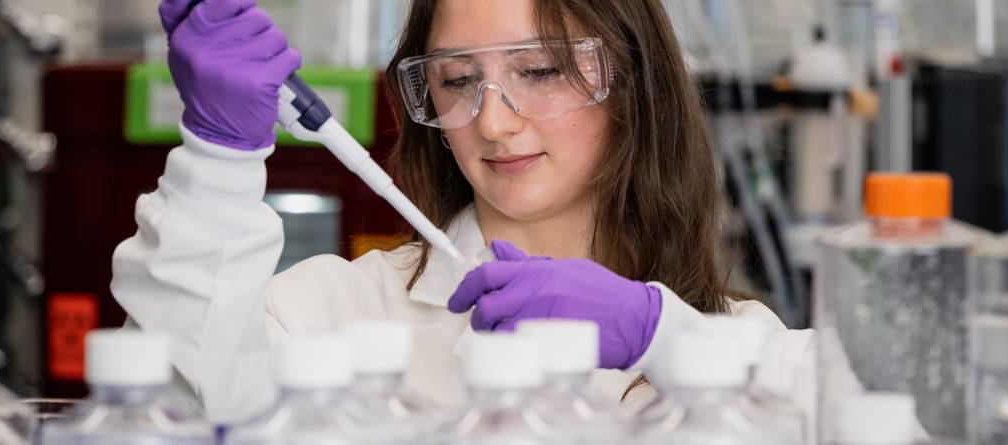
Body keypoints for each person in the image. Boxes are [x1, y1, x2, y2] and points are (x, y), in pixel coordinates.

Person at [113, 0, 814, 423]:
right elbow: (177, 408)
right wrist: (218, 163)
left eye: (540, 71)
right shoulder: (332, 314)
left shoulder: (732, 343)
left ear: (635, 84)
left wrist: (664, 340)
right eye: (457, 80)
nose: (495, 123)